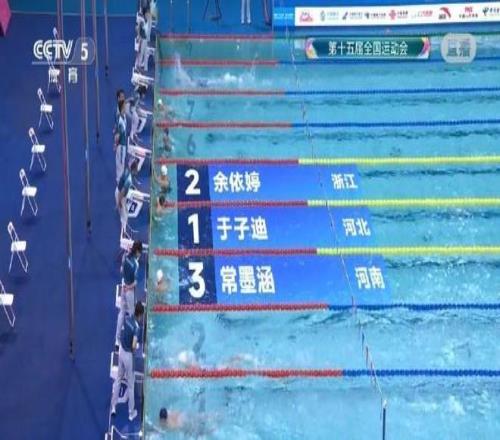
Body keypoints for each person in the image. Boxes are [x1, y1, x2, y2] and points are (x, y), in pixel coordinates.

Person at [111, 301, 145, 421]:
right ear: (140, 314)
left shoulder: (127, 319)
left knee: (118, 379)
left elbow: (122, 334)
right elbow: (134, 345)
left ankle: (113, 406)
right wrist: (135, 347)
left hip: (121, 350)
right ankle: (131, 413)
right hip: (128, 356)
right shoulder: (136, 327)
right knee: (131, 385)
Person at [115, 240, 143, 349]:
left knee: (121, 313)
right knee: (132, 317)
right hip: (129, 291)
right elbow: (135, 282)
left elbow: (121, 270)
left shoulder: (125, 256)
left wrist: (125, 285)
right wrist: (129, 287)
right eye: (140, 252)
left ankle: (117, 340)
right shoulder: (136, 264)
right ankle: (130, 341)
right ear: (137, 251)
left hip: (123, 287)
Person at [115, 160, 139, 234]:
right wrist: (119, 202)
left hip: (119, 191)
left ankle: (124, 228)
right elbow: (122, 192)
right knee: (124, 215)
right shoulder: (129, 180)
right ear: (134, 169)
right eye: (137, 169)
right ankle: (124, 232)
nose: (137, 170)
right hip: (120, 195)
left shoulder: (127, 170)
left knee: (125, 211)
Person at [114, 100, 128, 184]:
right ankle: (120, 181)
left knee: (119, 163)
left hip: (122, 144)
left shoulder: (123, 116)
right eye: (125, 106)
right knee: (121, 164)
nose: (126, 107)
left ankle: (118, 179)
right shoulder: (120, 121)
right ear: (122, 108)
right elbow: (118, 135)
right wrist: (116, 145)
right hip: (121, 146)